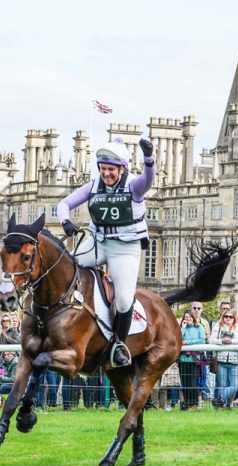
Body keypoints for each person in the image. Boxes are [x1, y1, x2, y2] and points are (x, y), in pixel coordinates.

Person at [57, 137, 156, 367]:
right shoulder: (93, 186)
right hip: (98, 241)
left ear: (122, 168)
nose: (106, 174)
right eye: (103, 169)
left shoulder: (133, 186)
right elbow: (64, 204)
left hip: (125, 247)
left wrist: (149, 158)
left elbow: (148, 180)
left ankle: (119, 344)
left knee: (123, 300)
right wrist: (66, 222)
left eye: (111, 169)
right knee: (68, 272)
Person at [210, 309, 238, 408]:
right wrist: (222, 341)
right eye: (226, 316)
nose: (228, 318)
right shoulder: (218, 326)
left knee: (236, 385)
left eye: (230, 317)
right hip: (221, 359)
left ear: (234, 318)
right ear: (223, 317)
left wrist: (231, 342)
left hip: (236, 360)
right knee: (223, 385)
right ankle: (225, 406)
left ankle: (220, 398)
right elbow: (211, 340)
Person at [179, 310, 205, 411]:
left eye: (190, 317)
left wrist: (188, 342)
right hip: (183, 359)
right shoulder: (183, 328)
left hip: (194, 360)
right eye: (186, 317)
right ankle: (186, 403)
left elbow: (202, 340)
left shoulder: (199, 327)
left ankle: (194, 403)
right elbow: (179, 339)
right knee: (185, 383)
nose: (188, 319)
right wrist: (183, 327)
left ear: (193, 317)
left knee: (193, 383)